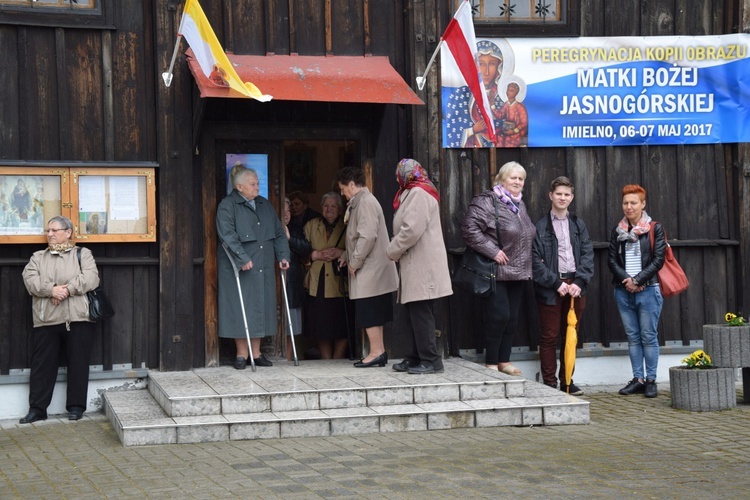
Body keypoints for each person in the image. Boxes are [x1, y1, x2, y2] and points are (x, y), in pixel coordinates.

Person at [20, 216, 100, 423]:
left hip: (79, 318)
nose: (50, 234)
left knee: (78, 362)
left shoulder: (83, 254)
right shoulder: (38, 257)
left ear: (68, 232)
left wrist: (65, 290)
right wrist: (51, 290)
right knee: (42, 365)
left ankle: (76, 407)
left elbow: (91, 278)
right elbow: (30, 280)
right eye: (48, 230)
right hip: (47, 319)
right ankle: (37, 409)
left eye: (54, 230)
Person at [461, 161, 536, 375]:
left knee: (512, 318)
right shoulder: (487, 201)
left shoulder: (520, 205)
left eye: (521, 178)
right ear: (501, 179)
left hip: (519, 271)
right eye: (513, 177)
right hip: (495, 271)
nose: (517, 182)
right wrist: (492, 251)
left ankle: (504, 361)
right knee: (499, 316)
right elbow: (469, 229)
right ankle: (491, 363)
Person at [216, 165, 290, 370]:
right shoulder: (227, 205)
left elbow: (278, 233)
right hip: (240, 267)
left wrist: (283, 256)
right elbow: (227, 235)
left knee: (260, 308)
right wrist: (242, 257)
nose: (257, 187)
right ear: (239, 186)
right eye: (253, 184)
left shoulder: (264, 205)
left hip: (263, 265)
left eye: (258, 183)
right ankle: (242, 354)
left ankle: (256, 354)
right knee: (241, 308)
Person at [387, 159, 453, 374]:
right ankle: (415, 357)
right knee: (413, 312)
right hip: (416, 262)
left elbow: (411, 230)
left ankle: (432, 360)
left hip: (422, 264)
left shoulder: (418, 193)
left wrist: (392, 250)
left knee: (420, 312)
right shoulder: (413, 191)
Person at [532, 176, 594, 395]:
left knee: (571, 335)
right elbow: (534, 261)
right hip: (551, 287)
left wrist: (579, 281)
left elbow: (587, 255)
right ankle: (549, 383)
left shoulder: (578, 224)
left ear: (572, 197)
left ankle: (567, 381)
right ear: (551, 195)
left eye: (566, 194)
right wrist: (555, 282)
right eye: (558, 193)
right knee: (549, 335)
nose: (562, 198)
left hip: (576, 288)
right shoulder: (540, 227)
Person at [335, 167, 398, 368]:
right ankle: (378, 351)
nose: (342, 193)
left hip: (370, 269)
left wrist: (354, 262)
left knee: (369, 310)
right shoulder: (362, 201)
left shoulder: (365, 203)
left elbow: (368, 236)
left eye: (343, 188)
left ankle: (376, 352)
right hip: (373, 268)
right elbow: (359, 236)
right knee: (373, 310)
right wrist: (347, 255)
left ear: (352, 185)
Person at [608, 184, 665, 398]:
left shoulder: (655, 228)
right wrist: (627, 281)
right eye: (625, 203)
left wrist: (639, 280)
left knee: (648, 336)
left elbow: (658, 260)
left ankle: (651, 380)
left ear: (643, 204)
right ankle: (638, 379)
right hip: (623, 291)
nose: (629, 207)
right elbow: (612, 260)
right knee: (633, 337)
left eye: (633, 203)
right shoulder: (617, 231)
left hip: (648, 290)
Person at [303, 192, 352, 359]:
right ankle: (326, 360)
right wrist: (313, 255)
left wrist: (342, 252)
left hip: (340, 283)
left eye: (333, 206)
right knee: (321, 325)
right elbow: (301, 251)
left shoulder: (348, 225)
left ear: (339, 209)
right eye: (325, 206)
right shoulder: (311, 225)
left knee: (342, 325)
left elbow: (359, 247)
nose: (329, 209)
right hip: (318, 283)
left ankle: (337, 359)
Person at [282, 198, 311, 361]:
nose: (286, 214)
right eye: (282, 210)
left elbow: (306, 249)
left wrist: (289, 238)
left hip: (292, 284)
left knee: (290, 327)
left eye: (288, 211)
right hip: (273, 284)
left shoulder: (296, 228)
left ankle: (287, 358)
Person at [498, 81, 528, 148]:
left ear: (516, 93)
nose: (508, 92)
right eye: (508, 90)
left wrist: (514, 131)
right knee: (498, 139)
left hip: (517, 133)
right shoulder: (506, 104)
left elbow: (524, 123)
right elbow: (500, 115)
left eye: (511, 91)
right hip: (507, 131)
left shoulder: (520, 107)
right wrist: (492, 106)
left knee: (509, 142)